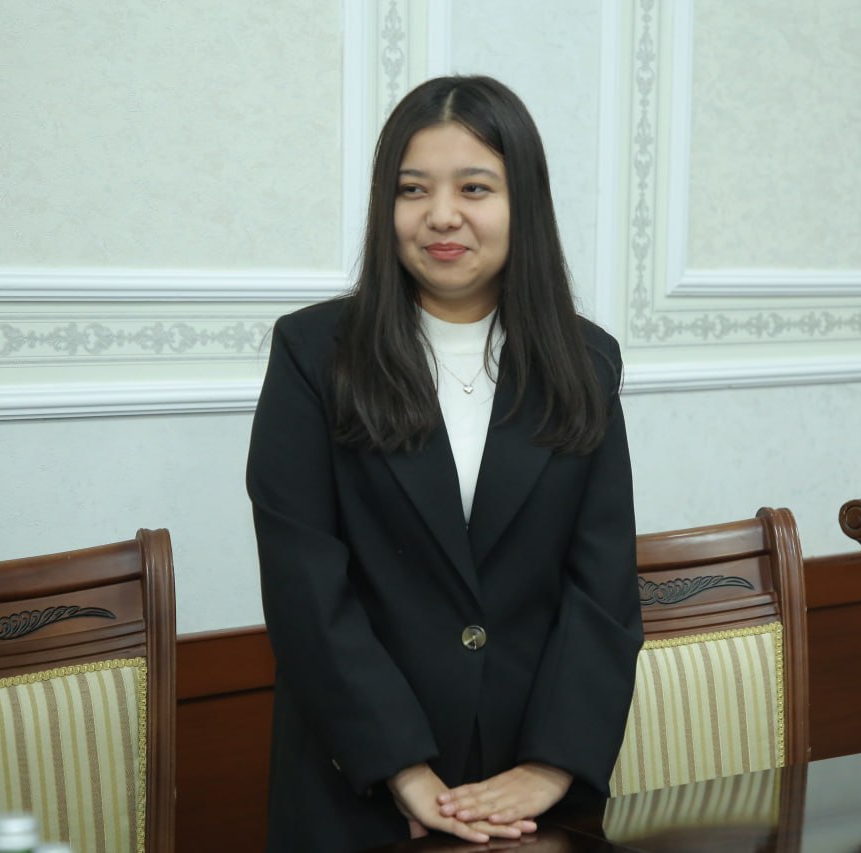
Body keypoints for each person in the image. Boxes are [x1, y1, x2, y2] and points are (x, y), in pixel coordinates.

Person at [247, 74, 643, 852]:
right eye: (413, 189)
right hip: (355, 781)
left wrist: (552, 765)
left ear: (523, 203)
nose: (441, 215)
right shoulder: (313, 353)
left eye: (474, 187)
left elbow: (602, 583)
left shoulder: (586, 361)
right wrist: (400, 767)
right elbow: (304, 583)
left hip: (524, 790)